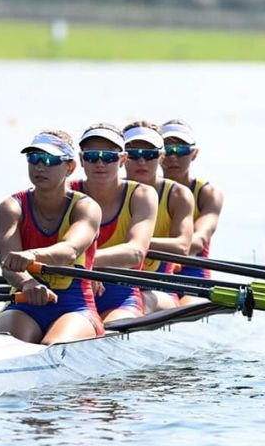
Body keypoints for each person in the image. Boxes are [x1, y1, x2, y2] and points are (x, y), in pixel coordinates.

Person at [0, 130, 104, 345]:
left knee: (50, 346)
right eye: (34, 159)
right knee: (0, 345)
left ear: (69, 167)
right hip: (25, 302)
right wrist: (27, 284)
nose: (40, 166)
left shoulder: (86, 207)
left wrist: (31, 255)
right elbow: (9, 264)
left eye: (50, 160)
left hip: (76, 307)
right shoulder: (11, 208)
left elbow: (69, 250)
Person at [71, 123, 158, 321]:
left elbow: (135, 253)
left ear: (123, 160)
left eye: (109, 156)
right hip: (70, 289)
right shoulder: (67, 193)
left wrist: (84, 264)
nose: (100, 163)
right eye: (92, 156)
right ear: (81, 160)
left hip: (119, 295)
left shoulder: (142, 195)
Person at [121, 120, 195, 313]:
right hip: (113, 286)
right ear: (122, 158)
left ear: (161, 157)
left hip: (159, 289)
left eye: (149, 154)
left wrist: (135, 245)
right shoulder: (105, 192)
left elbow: (182, 247)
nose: (142, 161)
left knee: (142, 299)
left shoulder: (178, 195)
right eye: (134, 155)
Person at [160, 119, 225, 304]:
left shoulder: (208, 193)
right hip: (156, 271)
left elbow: (197, 241)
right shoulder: (145, 192)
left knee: (184, 305)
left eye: (181, 150)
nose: (173, 157)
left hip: (193, 273)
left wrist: (139, 247)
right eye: (167, 150)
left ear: (194, 153)